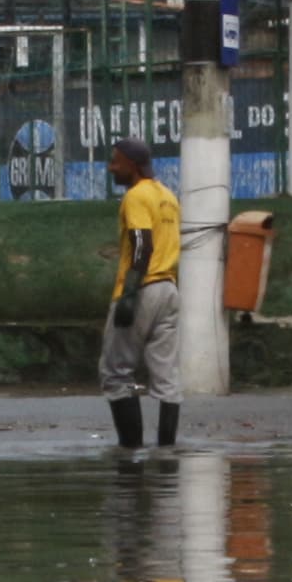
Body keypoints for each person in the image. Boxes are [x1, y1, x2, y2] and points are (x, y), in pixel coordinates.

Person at [97, 136, 182, 448]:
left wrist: (129, 294)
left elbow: (142, 244)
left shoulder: (136, 196)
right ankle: (166, 451)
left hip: (142, 288)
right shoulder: (168, 196)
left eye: (115, 162)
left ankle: (131, 452)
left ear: (132, 165)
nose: (110, 168)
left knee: (115, 373)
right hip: (169, 290)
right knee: (166, 376)